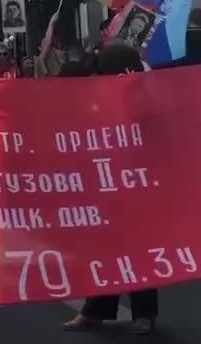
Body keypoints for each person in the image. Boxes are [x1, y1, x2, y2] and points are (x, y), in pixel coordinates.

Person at [64, 42, 157, 334]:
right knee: (104, 251)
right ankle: (95, 311)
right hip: (105, 184)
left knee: (139, 251)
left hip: (138, 186)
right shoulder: (100, 95)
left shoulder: (146, 98)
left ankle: (144, 314)